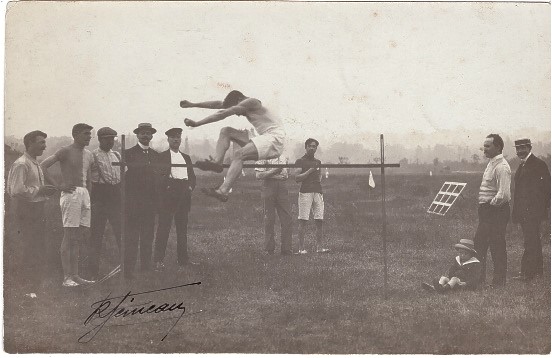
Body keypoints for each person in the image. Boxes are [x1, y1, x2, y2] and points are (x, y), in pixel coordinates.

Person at [180, 90, 285, 202]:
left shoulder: (252, 102)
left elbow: (222, 113)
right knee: (226, 131)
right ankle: (217, 163)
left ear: (240, 100)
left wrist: (197, 123)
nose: (238, 115)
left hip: (274, 138)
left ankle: (223, 191)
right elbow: (218, 104)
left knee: (239, 154)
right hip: (263, 136)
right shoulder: (242, 103)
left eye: (237, 111)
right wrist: (192, 104)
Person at [41, 123, 96, 287]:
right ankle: (66, 278)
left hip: (84, 194)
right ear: (76, 135)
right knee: (69, 235)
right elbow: (43, 165)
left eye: (90, 134)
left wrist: (89, 197)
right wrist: (58, 186)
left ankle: (75, 275)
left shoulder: (89, 155)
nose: (89, 136)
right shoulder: (65, 150)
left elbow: (89, 178)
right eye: (86, 134)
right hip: (70, 194)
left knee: (78, 237)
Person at [7, 131, 58, 297]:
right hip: (26, 210)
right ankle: (27, 285)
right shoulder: (21, 164)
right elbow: (15, 190)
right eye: (41, 142)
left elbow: (34, 187)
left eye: (45, 142)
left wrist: (44, 192)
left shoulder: (35, 163)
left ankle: (34, 283)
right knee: (29, 245)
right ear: (30, 143)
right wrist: (40, 190)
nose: (44, 146)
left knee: (37, 245)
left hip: (37, 208)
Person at [154, 128, 197, 271]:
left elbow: (192, 177)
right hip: (169, 194)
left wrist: (190, 187)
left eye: (178, 137)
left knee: (182, 228)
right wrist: (166, 190)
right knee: (164, 228)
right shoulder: (162, 157)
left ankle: (183, 260)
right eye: (173, 137)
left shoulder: (186, 157)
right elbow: (159, 178)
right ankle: (158, 261)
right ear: (168, 140)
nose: (176, 140)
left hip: (184, 193)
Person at [473, 134, 511, 287]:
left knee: (496, 244)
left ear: (498, 147)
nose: (484, 149)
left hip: (496, 211)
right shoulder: (491, 163)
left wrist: (489, 204)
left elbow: (504, 194)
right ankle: (478, 278)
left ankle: (499, 281)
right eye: (484, 146)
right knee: (480, 243)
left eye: (488, 146)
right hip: (487, 211)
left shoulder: (502, 166)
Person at [511, 138, 551, 282]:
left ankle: (527, 274)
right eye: (517, 149)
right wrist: (516, 215)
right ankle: (537, 272)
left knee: (530, 242)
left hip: (533, 213)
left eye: (523, 148)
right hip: (523, 212)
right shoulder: (522, 165)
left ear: (529, 148)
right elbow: (519, 193)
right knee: (533, 241)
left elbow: (547, 190)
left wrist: (541, 212)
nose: (520, 151)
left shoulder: (538, 164)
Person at [124, 123, 159, 279]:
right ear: (137, 135)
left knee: (147, 236)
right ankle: (129, 269)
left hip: (150, 203)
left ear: (151, 136)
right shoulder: (128, 153)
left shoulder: (155, 155)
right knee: (132, 236)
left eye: (148, 133)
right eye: (142, 133)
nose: (145, 136)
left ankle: (146, 268)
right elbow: (124, 179)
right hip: (133, 202)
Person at [86, 127, 122, 280]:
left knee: (121, 233)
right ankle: (93, 271)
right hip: (99, 196)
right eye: (107, 139)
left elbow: (123, 174)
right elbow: (86, 178)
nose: (111, 141)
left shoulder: (117, 155)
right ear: (100, 139)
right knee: (96, 235)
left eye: (113, 138)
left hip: (116, 196)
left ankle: (125, 268)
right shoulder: (92, 156)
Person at [294, 138, 329, 254]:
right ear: (306, 147)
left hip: (318, 192)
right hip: (305, 192)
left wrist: (317, 181)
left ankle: (320, 247)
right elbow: (296, 178)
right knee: (303, 220)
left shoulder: (318, 162)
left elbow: (319, 176)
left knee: (319, 220)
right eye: (310, 146)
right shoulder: (300, 161)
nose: (312, 148)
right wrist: (309, 172)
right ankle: (301, 248)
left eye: (314, 146)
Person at [255, 155, 293, 256]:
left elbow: (285, 175)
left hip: (282, 187)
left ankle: (286, 249)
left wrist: (281, 174)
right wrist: (275, 172)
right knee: (269, 218)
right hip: (268, 186)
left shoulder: (283, 154)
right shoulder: (263, 155)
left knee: (287, 218)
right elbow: (258, 175)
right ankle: (269, 249)